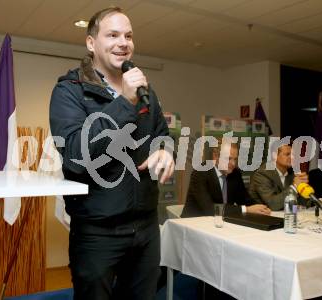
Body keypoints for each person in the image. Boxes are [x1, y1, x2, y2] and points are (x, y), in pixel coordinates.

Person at [49, 7, 174, 299]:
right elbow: (77, 157)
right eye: (113, 35)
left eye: (128, 35)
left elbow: (162, 135)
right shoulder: (69, 91)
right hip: (97, 233)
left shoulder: (144, 89)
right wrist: (125, 102)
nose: (123, 42)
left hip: (145, 229)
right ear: (91, 43)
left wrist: (165, 151)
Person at [181, 143, 271, 218]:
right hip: (195, 224)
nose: (233, 163)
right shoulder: (200, 173)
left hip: (223, 222)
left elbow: (245, 199)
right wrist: (246, 210)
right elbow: (210, 209)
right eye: (229, 158)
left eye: (235, 159)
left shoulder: (235, 173)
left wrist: (262, 208)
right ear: (215, 156)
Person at [249, 144, 308, 210]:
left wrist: (304, 187)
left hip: (287, 215)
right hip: (262, 217)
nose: (292, 157)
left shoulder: (293, 173)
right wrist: (295, 187)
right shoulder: (262, 174)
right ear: (275, 156)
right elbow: (273, 204)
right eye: (287, 154)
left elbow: (303, 204)